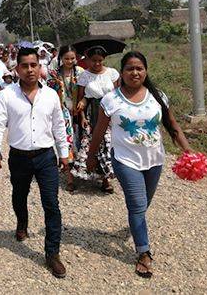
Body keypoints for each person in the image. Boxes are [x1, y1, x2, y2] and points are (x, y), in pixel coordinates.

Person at [86, 51, 193, 278]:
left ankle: (136, 226)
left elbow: (172, 125)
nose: (135, 73)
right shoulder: (111, 100)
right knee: (136, 204)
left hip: (154, 160)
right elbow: (99, 131)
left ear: (145, 71)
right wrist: (91, 156)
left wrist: (188, 150)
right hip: (125, 160)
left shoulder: (158, 96)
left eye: (139, 68)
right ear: (122, 73)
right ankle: (143, 252)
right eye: (130, 69)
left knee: (143, 205)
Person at [0, 48, 69, 278]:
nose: (30, 70)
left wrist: (64, 154)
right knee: (19, 195)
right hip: (19, 157)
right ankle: (22, 221)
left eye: (34, 65)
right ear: (17, 69)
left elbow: (59, 127)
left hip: (45, 157)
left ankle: (52, 252)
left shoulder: (51, 95)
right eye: (25, 66)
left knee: (51, 204)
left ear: (40, 66)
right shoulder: (7, 96)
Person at [74, 46, 120, 193]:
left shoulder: (112, 73)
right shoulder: (84, 76)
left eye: (100, 61)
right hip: (91, 113)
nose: (97, 64)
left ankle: (106, 178)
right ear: (88, 60)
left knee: (108, 143)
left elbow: (119, 94)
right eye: (93, 61)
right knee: (93, 142)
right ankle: (92, 172)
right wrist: (81, 117)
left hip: (110, 113)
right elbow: (81, 99)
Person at [47, 45, 85, 192]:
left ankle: (81, 170)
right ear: (61, 58)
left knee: (80, 140)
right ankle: (69, 176)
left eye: (72, 58)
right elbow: (50, 93)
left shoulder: (81, 72)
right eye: (67, 58)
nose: (70, 61)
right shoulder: (54, 74)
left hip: (78, 111)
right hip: (61, 112)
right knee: (65, 141)